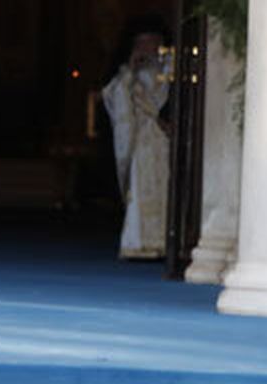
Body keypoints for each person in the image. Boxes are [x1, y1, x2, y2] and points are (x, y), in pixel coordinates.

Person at [102, 17, 172, 261]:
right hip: (142, 141)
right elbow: (113, 97)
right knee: (141, 191)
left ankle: (167, 243)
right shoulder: (127, 75)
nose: (147, 49)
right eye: (142, 44)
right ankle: (140, 244)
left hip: (165, 140)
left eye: (152, 43)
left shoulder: (170, 70)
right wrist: (130, 70)